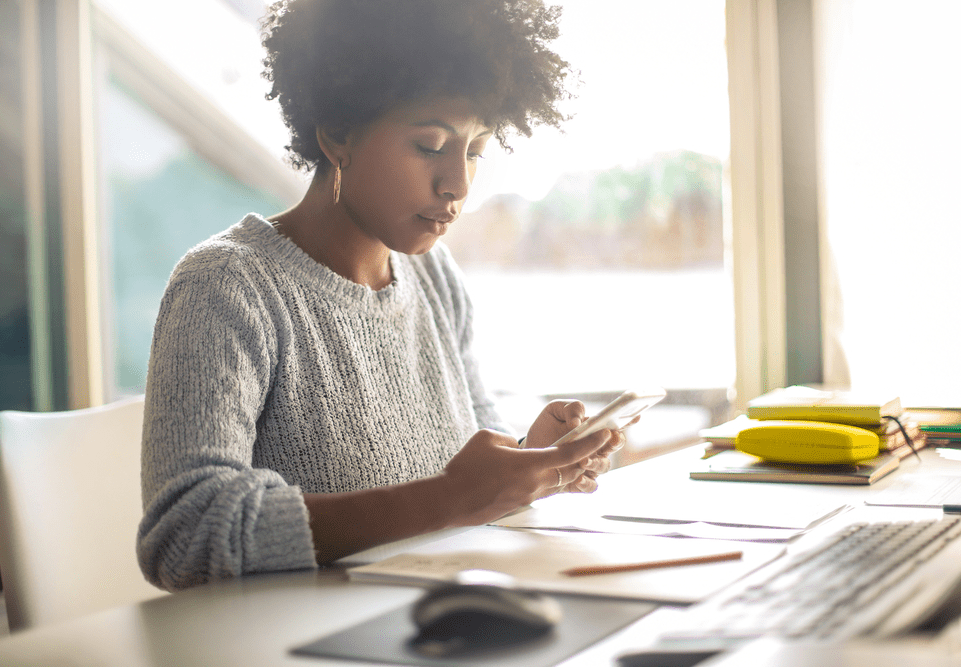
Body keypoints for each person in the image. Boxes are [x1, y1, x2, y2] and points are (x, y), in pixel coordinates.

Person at [137, 0, 625, 591]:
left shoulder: (435, 278)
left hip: (432, 623)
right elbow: (184, 535)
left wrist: (532, 460)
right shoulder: (226, 287)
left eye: (474, 150)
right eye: (429, 146)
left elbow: (467, 477)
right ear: (338, 134)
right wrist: (454, 497)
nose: (459, 185)